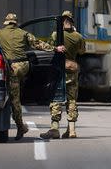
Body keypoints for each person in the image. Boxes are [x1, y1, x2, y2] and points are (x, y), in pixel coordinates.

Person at [0, 12, 64, 140]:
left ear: (6, 22)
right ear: (16, 23)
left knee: (14, 100)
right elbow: (38, 44)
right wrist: (56, 49)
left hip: (12, 68)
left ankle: (20, 126)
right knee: (25, 84)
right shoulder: (23, 33)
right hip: (25, 66)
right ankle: (30, 95)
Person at [40, 10, 86, 139]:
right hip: (72, 71)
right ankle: (71, 130)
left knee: (56, 98)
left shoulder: (56, 35)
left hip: (59, 71)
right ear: (72, 21)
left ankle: (54, 129)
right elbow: (82, 51)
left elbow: (49, 47)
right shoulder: (79, 36)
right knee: (72, 99)